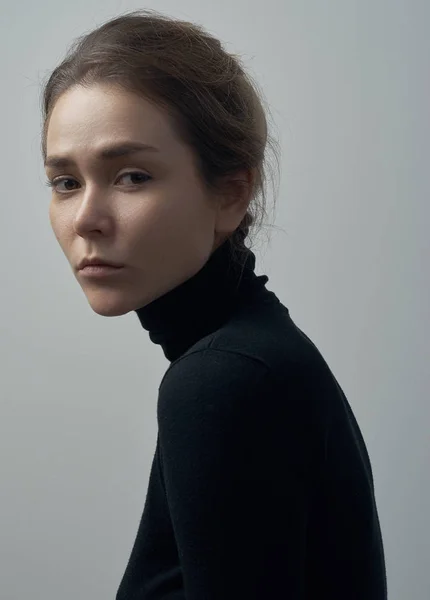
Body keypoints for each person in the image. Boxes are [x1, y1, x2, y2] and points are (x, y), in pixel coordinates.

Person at [40, 9, 387, 599]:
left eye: (130, 176)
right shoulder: (253, 355)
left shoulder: (223, 380)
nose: (86, 219)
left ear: (229, 195)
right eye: (66, 182)